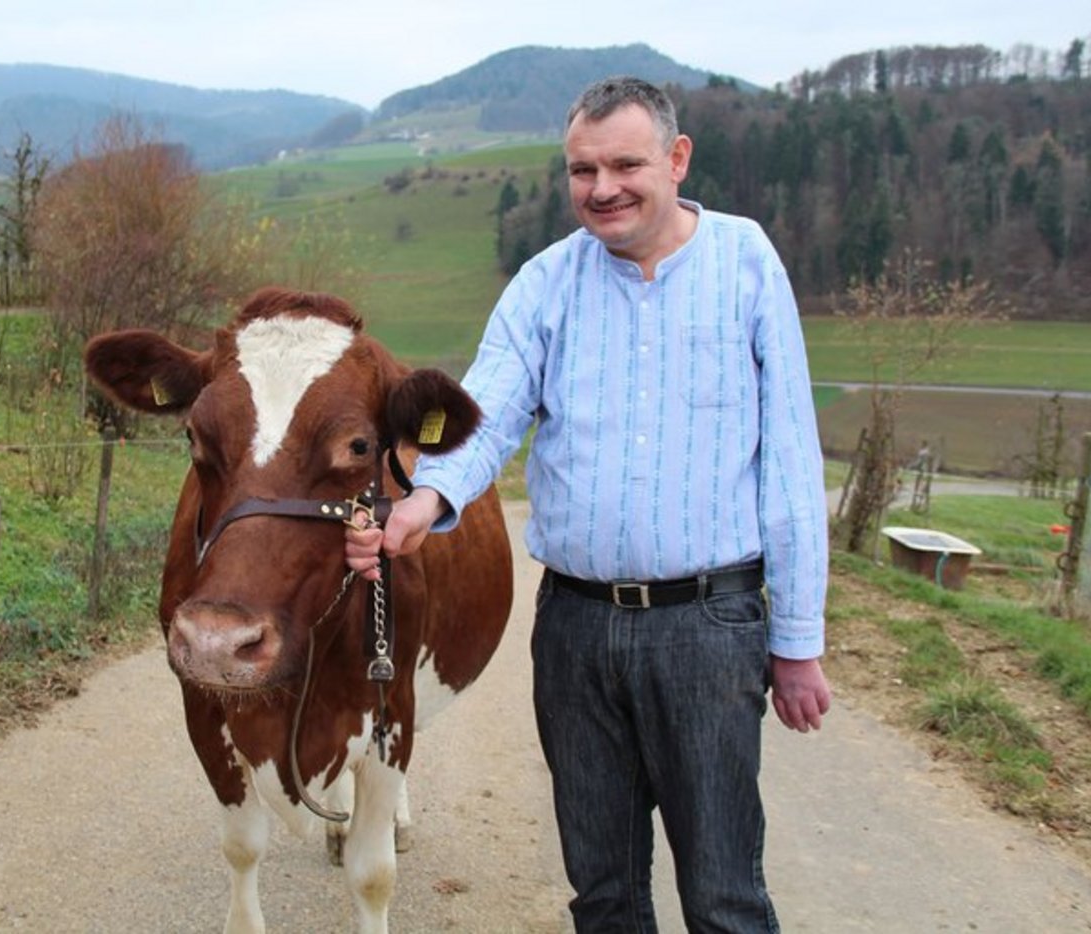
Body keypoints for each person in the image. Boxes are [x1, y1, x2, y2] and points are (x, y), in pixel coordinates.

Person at [347, 76, 831, 933]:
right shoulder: (545, 284)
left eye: (624, 165)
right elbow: (487, 417)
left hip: (708, 628)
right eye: (582, 170)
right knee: (602, 892)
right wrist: (421, 505)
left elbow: (791, 461)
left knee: (723, 893)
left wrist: (796, 642)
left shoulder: (747, 263)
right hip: (575, 629)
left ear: (676, 159)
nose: (602, 188)